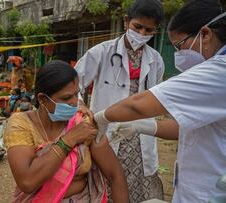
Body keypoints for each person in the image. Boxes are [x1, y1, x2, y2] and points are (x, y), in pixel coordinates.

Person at [93, 1, 226, 202]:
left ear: (205, 34)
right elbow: (188, 127)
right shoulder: (101, 51)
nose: (178, 54)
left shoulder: (222, 71)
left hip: (211, 192)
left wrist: (101, 117)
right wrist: (145, 126)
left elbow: (139, 104)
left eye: (179, 45)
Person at [74, 0, 165, 201]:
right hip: (106, 132)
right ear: (126, 22)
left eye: (148, 30)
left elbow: (155, 96)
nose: (141, 34)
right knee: (104, 184)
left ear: (156, 30)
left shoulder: (156, 60)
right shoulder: (101, 52)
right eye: (137, 27)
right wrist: (80, 105)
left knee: (136, 186)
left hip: (139, 135)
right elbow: (73, 82)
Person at [4, 60, 129, 202]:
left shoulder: (83, 123)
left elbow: (115, 175)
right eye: (66, 98)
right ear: (43, 99)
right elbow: (27, 181)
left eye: (77, 94)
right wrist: (68, 140)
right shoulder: (22, 124)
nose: (74, 102)